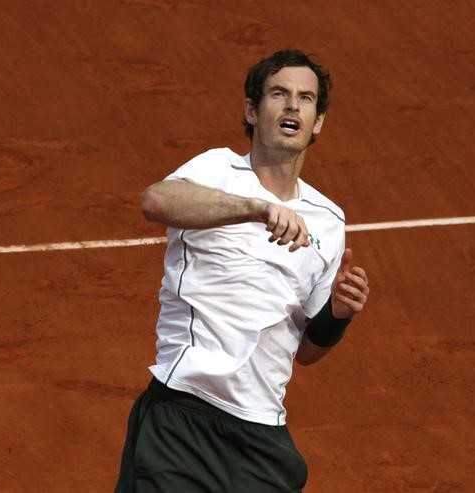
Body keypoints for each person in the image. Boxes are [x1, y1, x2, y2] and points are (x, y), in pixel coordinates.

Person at [115, 49, 370, 493]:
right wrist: (255, 208)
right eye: (279, 94)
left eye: (306, 99)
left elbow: (306, 349)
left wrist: (340, 315)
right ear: (252, 111)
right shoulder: (216, 171)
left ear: (319, 121)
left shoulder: (329, 221)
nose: (293, 105)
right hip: (183, 417)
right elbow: (155, 202)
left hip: (261, 436)